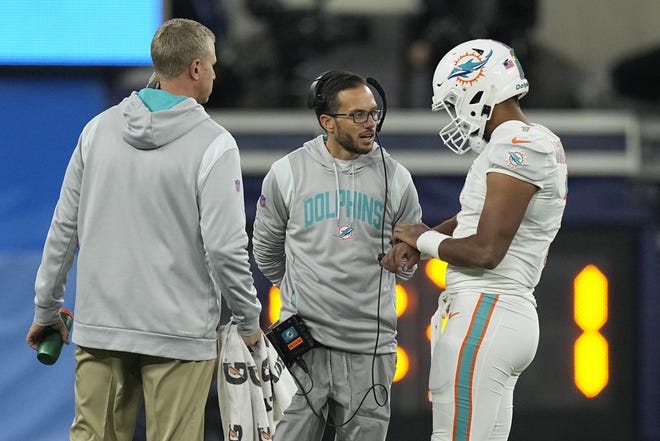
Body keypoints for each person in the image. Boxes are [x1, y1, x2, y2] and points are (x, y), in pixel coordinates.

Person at [25, 18, 262, 441]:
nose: (214, 73)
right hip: (179, 334)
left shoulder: (97, 130)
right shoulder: (215, 143)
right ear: (194, 68)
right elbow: (226, 248)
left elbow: (64, 228)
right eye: (211, 64)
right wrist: (248, 320)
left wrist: (46, 309)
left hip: (103, 328)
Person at [381, 39, 568, 440]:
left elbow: (485, 251)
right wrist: (426, 237)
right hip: (502, 311)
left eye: (454, 101)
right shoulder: (534, 139)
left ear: (477, 88)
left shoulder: (517, 144)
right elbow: (474, 220)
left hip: (488, 309)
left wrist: (423, 239)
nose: (454, 115)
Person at [252, 70, 423, 441]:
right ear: (327, 122)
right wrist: (304, 288)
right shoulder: (287, 172)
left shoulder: (396, 178)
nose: (371, 124)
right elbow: (265, 253)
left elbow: (408, 266)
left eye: (374, 113)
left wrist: (405, 258)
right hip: (300, 348)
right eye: (358, 115)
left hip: (370, 352)